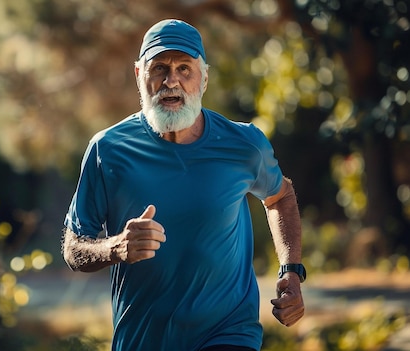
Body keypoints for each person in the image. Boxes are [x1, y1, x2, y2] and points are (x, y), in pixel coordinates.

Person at [61, 18, 305, 351]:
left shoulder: (244, 144)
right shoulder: (109, 150)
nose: (171, 81)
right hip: (143, 338)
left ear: (204, 79)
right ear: (139, 76)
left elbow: (280, 196)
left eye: (184, 69)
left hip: (228, 331)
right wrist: (116, 248)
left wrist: (290, 270)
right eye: (159, 68)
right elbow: (74, 249)